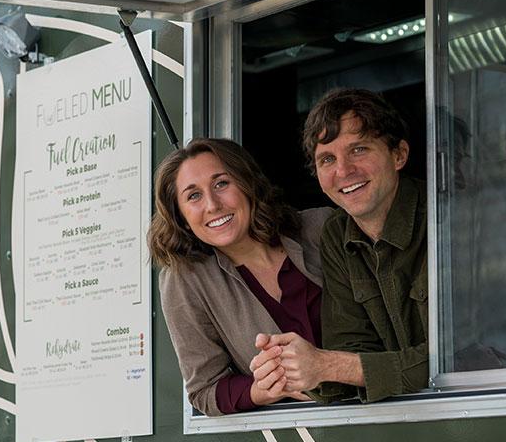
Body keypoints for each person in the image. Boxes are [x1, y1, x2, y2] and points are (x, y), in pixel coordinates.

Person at [251, 88, 427, 403]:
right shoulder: (337, 231)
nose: (343, 171)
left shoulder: (446, 218)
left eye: (358, 150)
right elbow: (351, 346)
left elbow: (465, 363)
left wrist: (327, 365)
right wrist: (287, 367)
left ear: (399, 155)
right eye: (327, 159)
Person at [148, 138, 331, 416]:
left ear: (247, 184)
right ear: (182, 217)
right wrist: (261, 390)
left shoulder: (320, 229)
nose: (212, 205)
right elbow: (204, 392)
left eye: (221, 183)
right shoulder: (185, 280)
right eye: (193, 196)